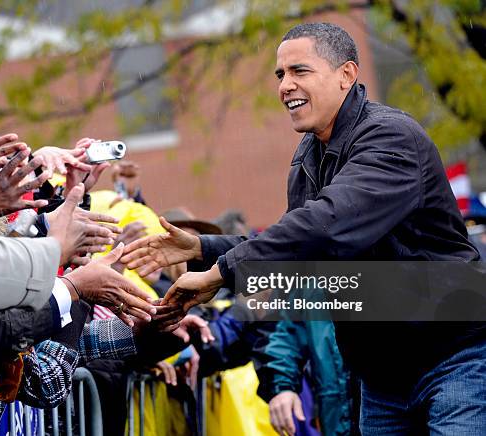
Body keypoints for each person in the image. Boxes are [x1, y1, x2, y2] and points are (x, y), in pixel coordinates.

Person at [121, 22, 485, 435]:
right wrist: (204, 247)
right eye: (280, 75)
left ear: (346, 75)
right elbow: (301, 255)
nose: (285, 86)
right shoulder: (307, 157)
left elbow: (325, 227)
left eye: (300, 71)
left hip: (453, 358)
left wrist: (222, 270)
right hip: (381, 378)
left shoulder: (391, 137)